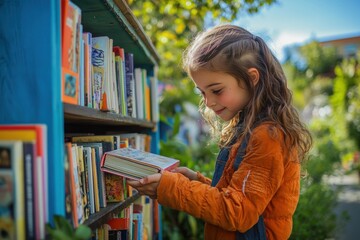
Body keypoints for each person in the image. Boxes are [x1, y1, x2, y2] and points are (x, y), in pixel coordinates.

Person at [128, 24, 313, 240]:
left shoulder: (268, 136)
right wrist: (194, 182)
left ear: (252, 78)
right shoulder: (249, 127)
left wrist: (173, 189)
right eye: (203, 92)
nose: (208, 102)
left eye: (216, 90)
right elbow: (236, 195)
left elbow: (238, 212)